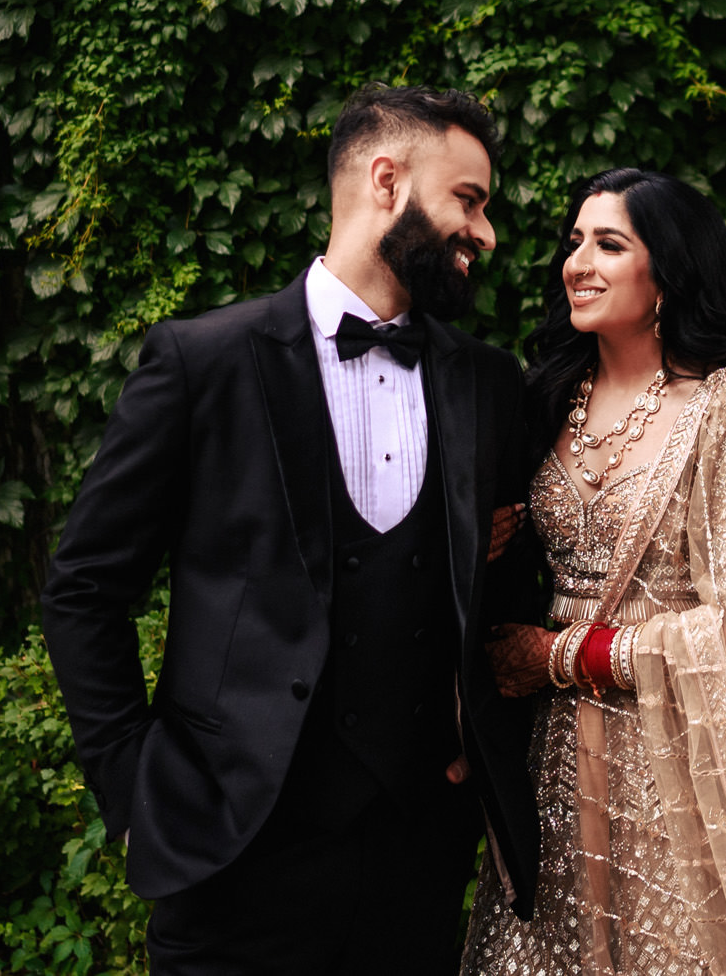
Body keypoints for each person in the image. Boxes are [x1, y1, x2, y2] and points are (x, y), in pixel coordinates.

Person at [41, 85, 545, 976]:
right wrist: (137, 791)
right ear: (387, 181)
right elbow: (84, 588)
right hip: (232, 862)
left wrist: (483, 744)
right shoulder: (202, 363)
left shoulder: (488, 382)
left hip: (417, 864)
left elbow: (507, 597)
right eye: (468, 200)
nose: (486, 232)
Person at [462, 168, 726, 976]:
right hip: (548, 771)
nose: (579, 263)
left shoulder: (724, 406)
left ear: (668, 272)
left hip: (673, 769)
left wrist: (563, 655)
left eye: (610, 244)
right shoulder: (542, 399)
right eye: (575, 242)